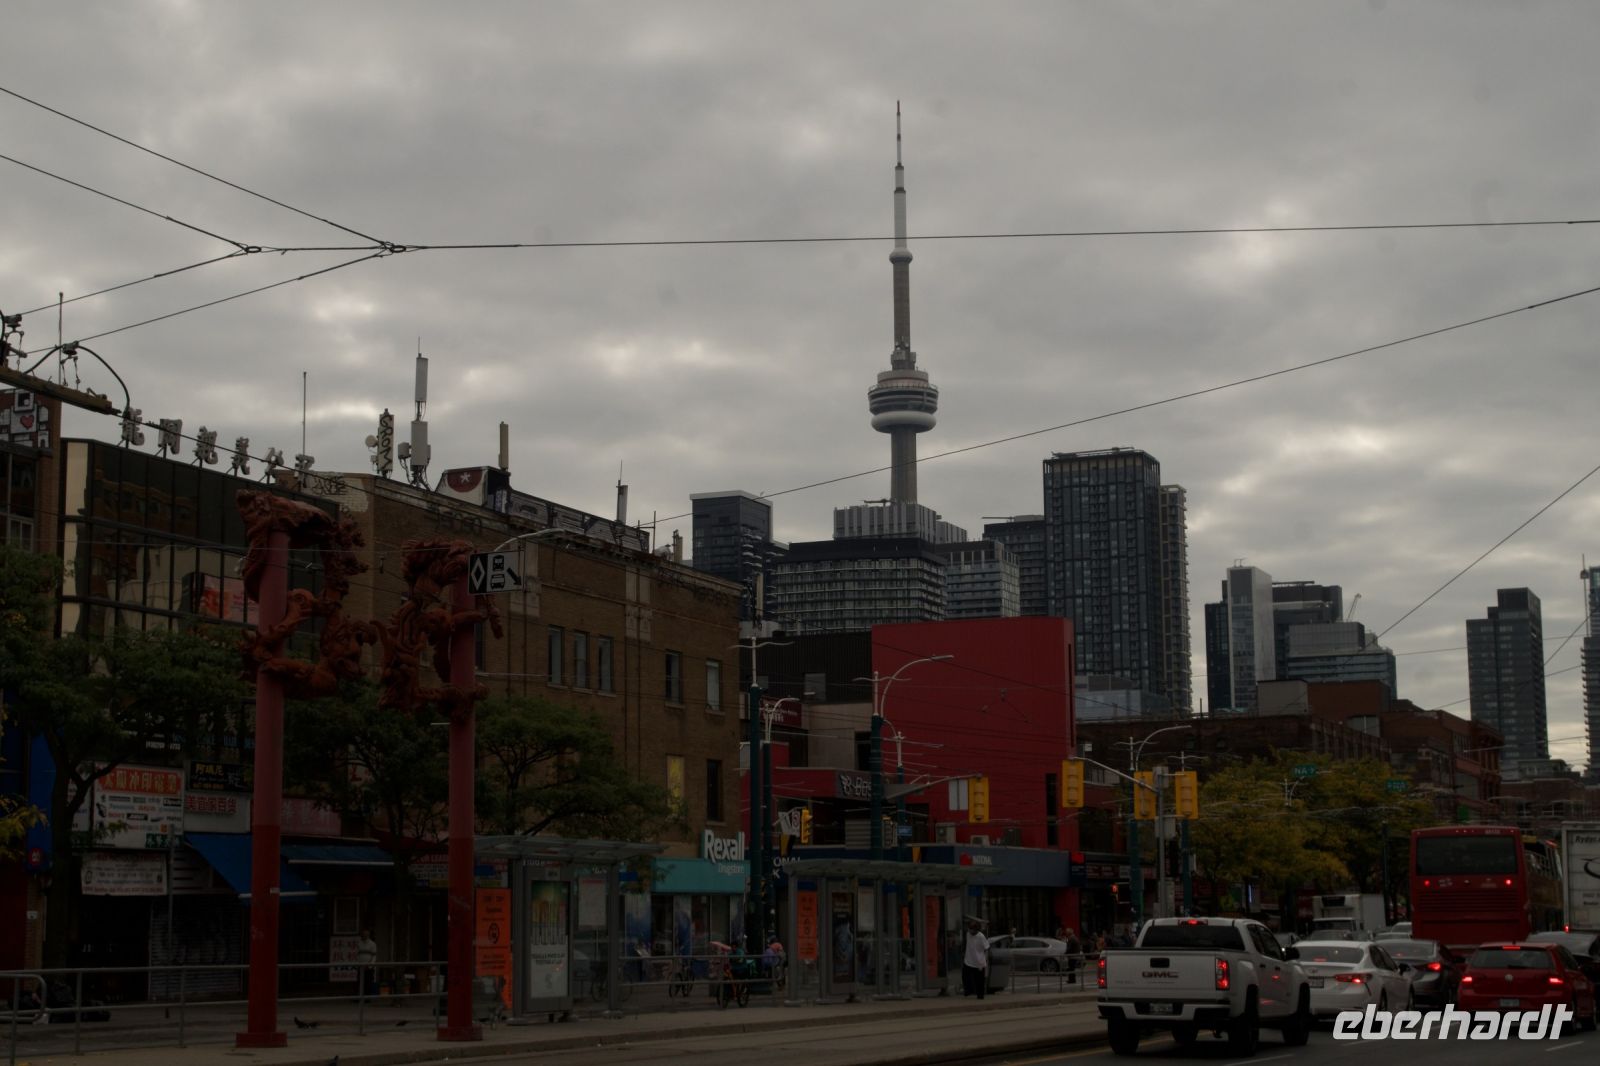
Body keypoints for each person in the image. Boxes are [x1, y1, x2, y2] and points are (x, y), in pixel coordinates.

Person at [961, 917, 989, 999]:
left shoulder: (981, 937)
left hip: (979, 962)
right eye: (969, 929)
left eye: (972, 930)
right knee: (965, 976)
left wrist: (984, 962)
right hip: (968, 960)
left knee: (979, 980)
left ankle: (980, 995)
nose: (970, 931)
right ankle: (968, 991)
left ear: (976, 930)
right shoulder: (968, 934)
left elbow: (986, 948)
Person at [356, 928, 379, 997]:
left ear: (368, 935)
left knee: (368, 982)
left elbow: (374, 956)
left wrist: (370, 965)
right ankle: (359, 996)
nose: (364, 936)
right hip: (360, 966)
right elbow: (357, 954)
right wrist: (358, 964)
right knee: (360, 982)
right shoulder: (359, 943)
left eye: (366, 934)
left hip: (368, 967)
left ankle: (367, 997)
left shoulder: (372, 944)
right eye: (363, 934)